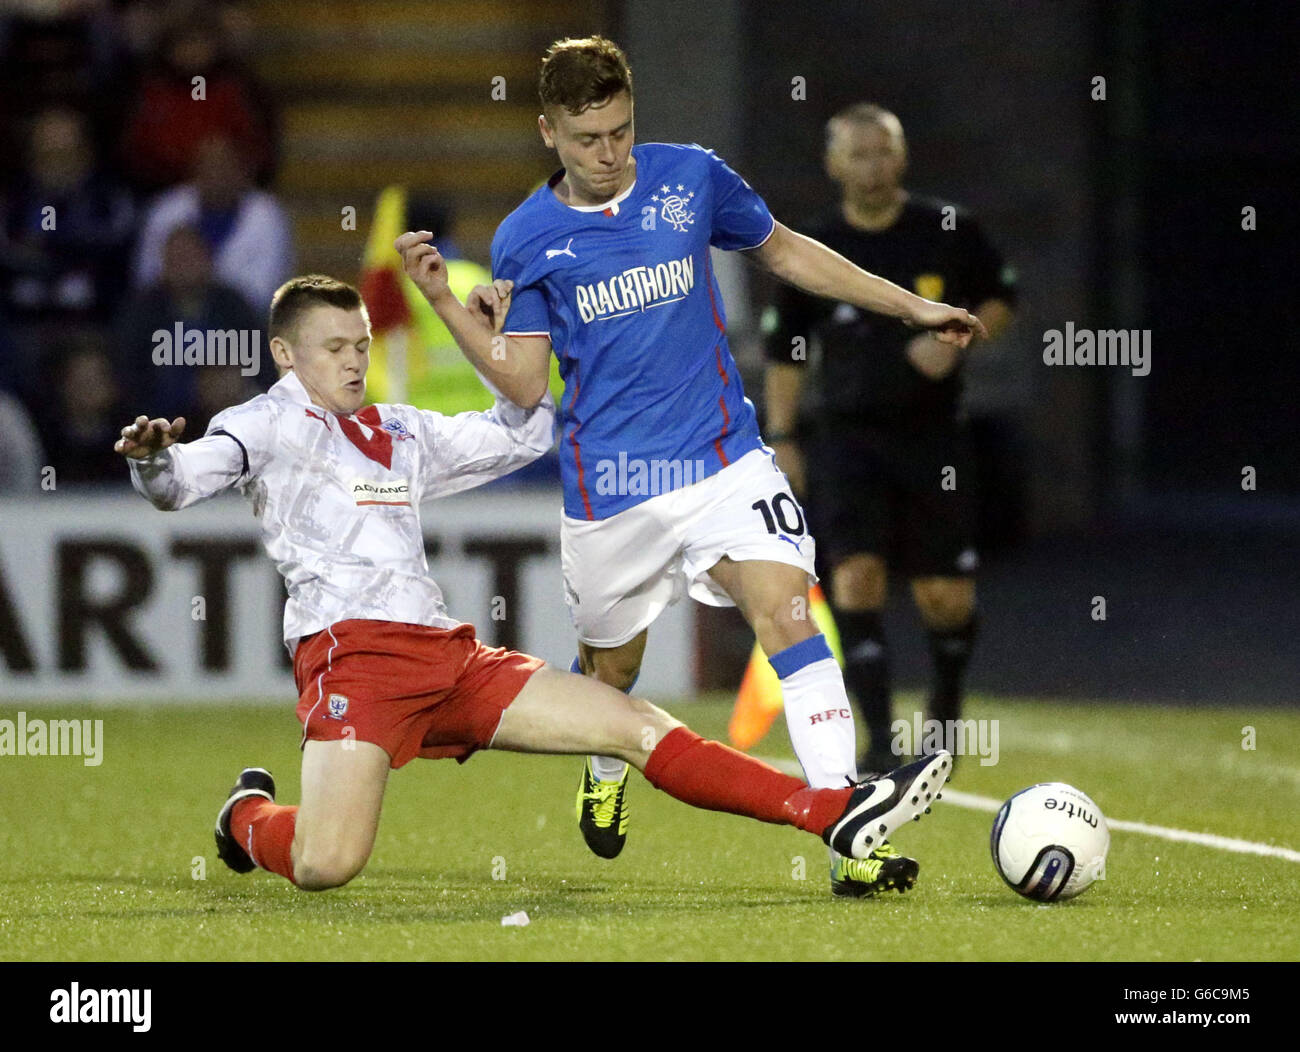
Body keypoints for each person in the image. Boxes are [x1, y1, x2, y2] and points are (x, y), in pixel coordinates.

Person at [114, 274, 951, 893]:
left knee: (628, 722)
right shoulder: (263, 423)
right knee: (327, 864)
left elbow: (524, 432)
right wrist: (155, 458)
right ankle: (244, 819)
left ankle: (829, 810)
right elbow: (183, 480)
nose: (354, 360)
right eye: (334, 347)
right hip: (354, 659)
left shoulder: (397, 430)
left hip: (447, 656)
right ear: (285, 354)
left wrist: (494, 338)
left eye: (362, 344)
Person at [394, 36, 981, 897]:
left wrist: (913, 308)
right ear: (549, 131)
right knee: (614, 672)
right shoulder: (529, 236)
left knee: (786, 610)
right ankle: (605, 767)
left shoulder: (690, 178)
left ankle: (844, 833)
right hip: (612, 491)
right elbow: (523, 382)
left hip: (723, 460)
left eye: (621, 132)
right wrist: (445, 300)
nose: (608, 154)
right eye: (588, 138)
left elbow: (787, 252)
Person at [762, 103, 1016, 775]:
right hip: (845, 438)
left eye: (883, 152)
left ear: (901, 158)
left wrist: (955, 343)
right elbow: (785, 353)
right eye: (859, 153)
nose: (873, 166)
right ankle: (878, 737)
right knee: (855, 577)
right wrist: (783, 436)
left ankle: (946, 711)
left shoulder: (947, 229)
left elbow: (1001, 296)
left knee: (943, 595)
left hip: (934, 438)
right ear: (833, 164)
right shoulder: (813, 248)